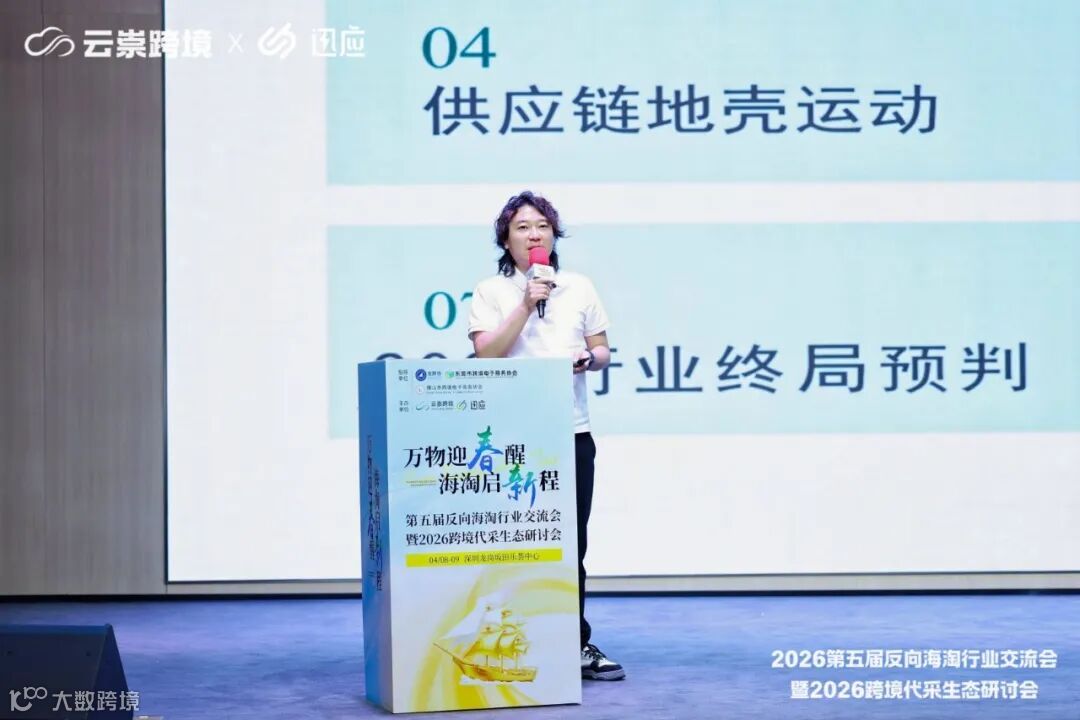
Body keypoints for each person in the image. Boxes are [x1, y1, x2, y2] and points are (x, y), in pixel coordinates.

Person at [467, 190, 625, 681]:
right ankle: (507, 644)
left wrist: (590, 358)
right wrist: (524, 304)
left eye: (542, 226)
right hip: (512, 439)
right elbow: (486, 355)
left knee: (571, 544)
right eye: (522, 227)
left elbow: (603, 351)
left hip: (571, 432)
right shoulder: (491, 292)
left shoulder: (578, 286)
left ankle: (573, 644)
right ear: (506, 239)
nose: (534, 234)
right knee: (513, 543)